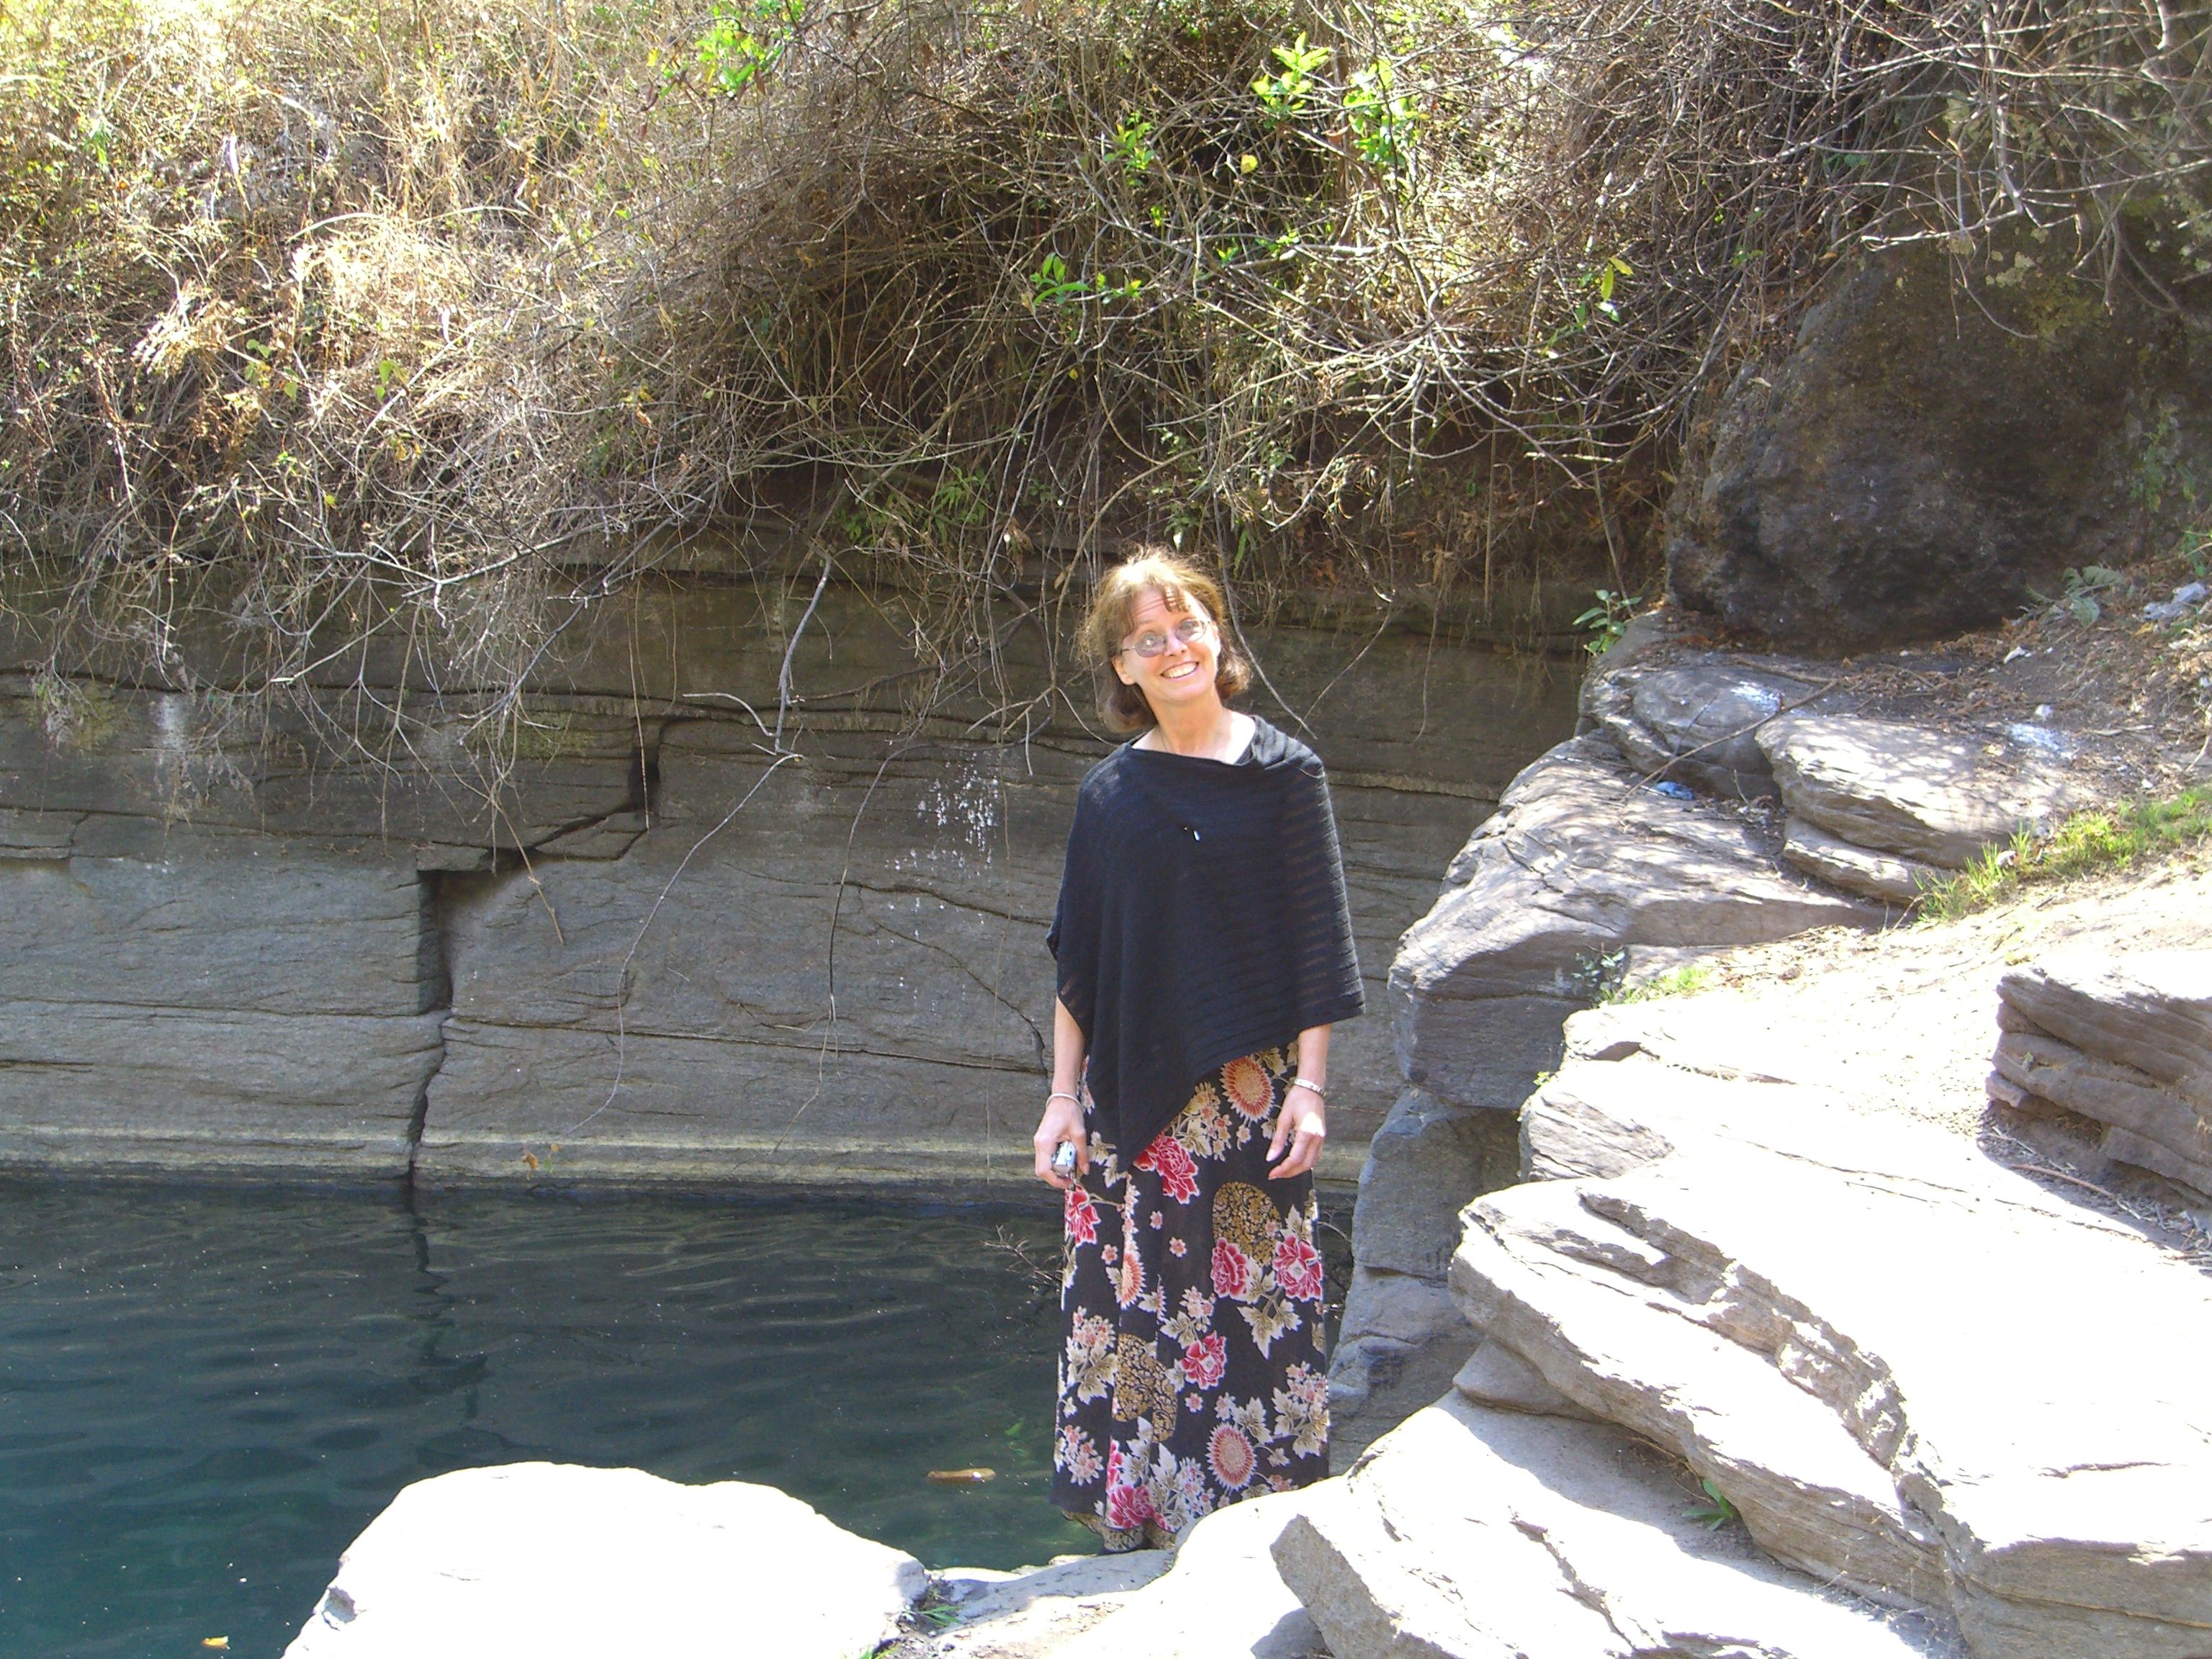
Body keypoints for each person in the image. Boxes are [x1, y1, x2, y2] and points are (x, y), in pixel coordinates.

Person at [1036, 548, 1363, 1551]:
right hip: (1131, 1105)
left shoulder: (1285, 775)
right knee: (1143, 1314)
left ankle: (1258, 1535)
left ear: (1219, 638)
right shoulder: (1110, 796)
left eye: (1188, 627)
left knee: (1253, 1312)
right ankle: (1145, 1531)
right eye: (1150, 638)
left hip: (1251, 1099)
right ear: (1123, 667)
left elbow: (1318, 940)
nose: (1174, 648)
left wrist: (1312, 1088)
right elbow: (1080, 963)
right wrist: (1061, 1101)